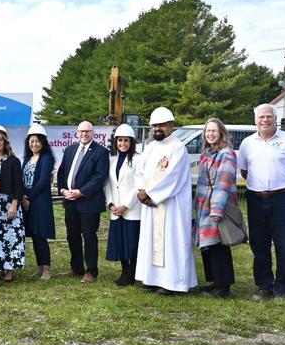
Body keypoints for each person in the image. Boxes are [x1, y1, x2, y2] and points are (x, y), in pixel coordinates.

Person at [238, 103, 285, 301]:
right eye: (261, 117)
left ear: (275, 118)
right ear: (255, 120)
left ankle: (283, 288)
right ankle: (264, 286)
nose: (265, 120)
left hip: (283, 200)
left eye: (268, 116)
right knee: (259, 244)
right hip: (256, 198)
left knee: (284, 244)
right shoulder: (247, 144)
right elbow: (245, 171)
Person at [134, 107, 197, 295]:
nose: (157, 129)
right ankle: (152, 278)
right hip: (149, 203)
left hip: (170, 203)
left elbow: (173, 176)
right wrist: (141, 190)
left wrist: (151, 194)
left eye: (161, 125)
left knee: (172, 242)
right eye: (154, 126)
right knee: (151, 240)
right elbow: (140, 169)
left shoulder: (178, 147)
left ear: (171, 125)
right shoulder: (151, 147)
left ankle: (172, 282)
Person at [56, 121, 109, 283]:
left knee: (89, 236)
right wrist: (63, 190)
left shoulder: (101, 152)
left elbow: (99, 177)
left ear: (93, 133)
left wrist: (81, 192)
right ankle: (76, 267)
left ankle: (91, 271)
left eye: (87, 131)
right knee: (72, 235)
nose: (84, 134)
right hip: (70, 201)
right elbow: (62, 171)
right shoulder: (70, 150)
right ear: (77, 133)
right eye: (81, 131)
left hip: (89, 202)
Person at [194, 118, 238, 299]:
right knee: (208, 245)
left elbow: (224, 182)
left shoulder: (226, 154)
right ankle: (214, 282)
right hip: (204, 205)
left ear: (221, 133)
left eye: (214, 131)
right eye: (208, 131)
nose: (210, 134)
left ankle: (223, 285)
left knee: (219, 245)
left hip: (216, 205)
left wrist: (217, 210)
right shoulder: (207, 153)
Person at [103, 124, 142, 287]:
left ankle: (131, 273)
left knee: (132, 243)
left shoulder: (138, 159)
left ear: (131, 142)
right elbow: (109, 185)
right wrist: (111, 203)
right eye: (120, 140)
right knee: (120, 242)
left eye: (126, 141)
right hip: (115, 209)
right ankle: (124, 271)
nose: (122, 144)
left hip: (131, 209)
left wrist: (125, 206)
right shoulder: (112, 160)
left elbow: (138, 186)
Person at [0, 125, 25, 282]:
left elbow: (18, 184)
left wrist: (14, 204)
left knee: (11, 236)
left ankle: (9, 269)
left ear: (5, 141)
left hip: (9, 203)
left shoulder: (13, 161)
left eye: (0, 139)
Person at [21, 123, 55, 280]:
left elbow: (42, 182)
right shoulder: (27, 158)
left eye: (37, 141)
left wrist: (29, 198)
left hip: (39, 201)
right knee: (34, 235)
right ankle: (40, 267)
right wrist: (23, 197)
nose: (34, 144)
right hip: (27, 201)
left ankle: (47, 269)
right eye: (31, 141)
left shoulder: (47, 158)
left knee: (41, 235)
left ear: (43, 142)